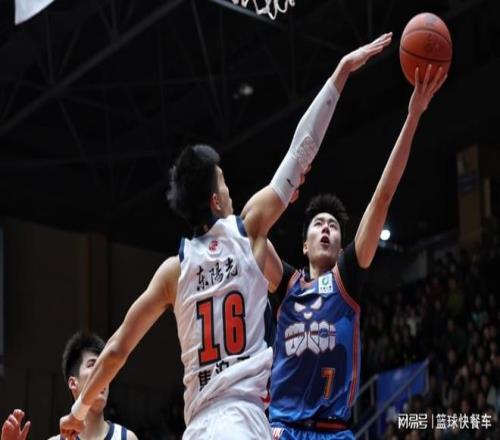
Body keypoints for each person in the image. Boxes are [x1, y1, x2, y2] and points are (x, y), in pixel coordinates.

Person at [59, 33, 392, 440]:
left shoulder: (172, 271)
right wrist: (339, 75)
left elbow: (116, 350)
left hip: (198, 428)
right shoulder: (248, 230)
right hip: (243, 421)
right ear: (216, 201)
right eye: (223, 181)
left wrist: (78, 409)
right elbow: (302, 150)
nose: (230, 189)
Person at [265, 65, 447, 439]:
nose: (326, 228)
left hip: (334, 430)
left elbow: (383, 195)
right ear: (304, 245)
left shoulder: (346, 277)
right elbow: (250, 233)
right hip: (282, 430)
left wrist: (413, 116)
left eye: (333, 226)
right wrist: (282, 192)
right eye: (318, 224)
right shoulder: (286, 285)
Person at [49, 332, 137, 440]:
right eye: (92, 365)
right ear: (73, 383)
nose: (101, 375)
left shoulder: (127, 437)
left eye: (104, 369)